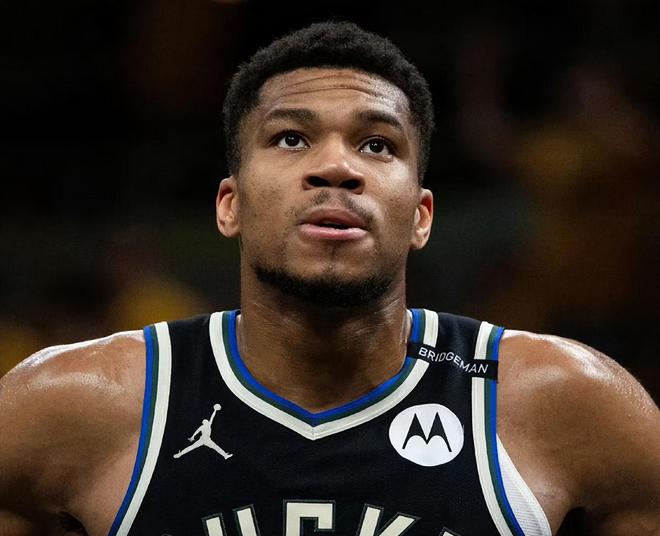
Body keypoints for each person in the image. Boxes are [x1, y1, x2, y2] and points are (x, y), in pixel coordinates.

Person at [0, 21, 658, 536]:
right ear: (230, 204)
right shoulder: (73, 406)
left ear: (421, 216)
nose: (337, 167)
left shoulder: (566, 403)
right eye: (291, 139)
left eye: (378, 144)